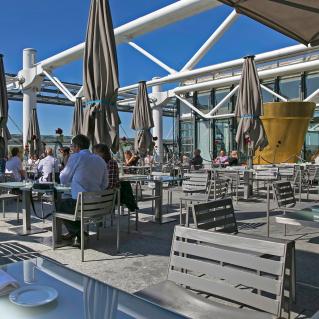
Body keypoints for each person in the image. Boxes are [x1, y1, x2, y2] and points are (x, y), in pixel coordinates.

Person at [59, 135, 109, 247]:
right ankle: (76, 236)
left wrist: (67, 164)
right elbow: (105, 184)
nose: (71, 149)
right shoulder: (100, 160)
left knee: (59, 205)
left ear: (77, 147)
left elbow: (63, 180)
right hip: (97, 205)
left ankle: (79, 233)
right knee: (73, 204)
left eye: (72, 146)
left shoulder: (75, 157)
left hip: (81, 206)